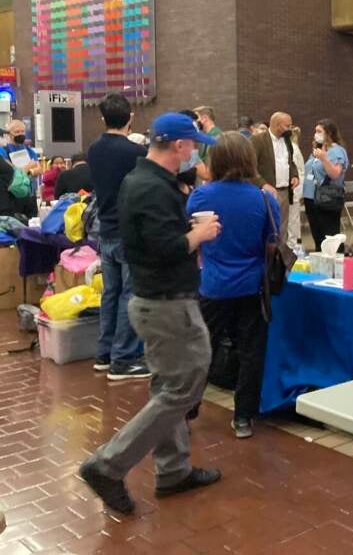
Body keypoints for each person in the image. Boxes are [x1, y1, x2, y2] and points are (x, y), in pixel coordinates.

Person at [79, 112, 222, 515]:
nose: (194, 150)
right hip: (167, 304)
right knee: (184, 388)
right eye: (191, 144)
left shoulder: (142, 181)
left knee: (168, 387)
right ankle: (108, 465)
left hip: (153, 301)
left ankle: (173, 470)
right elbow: (167, 249)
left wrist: (186, 224)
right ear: (178, 146)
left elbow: (150, 236)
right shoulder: (152, 188)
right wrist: (200, 233)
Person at [187, 132, 280, 439]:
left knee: (203, 348)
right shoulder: (264, 198)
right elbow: (272, 239)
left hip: (213, 286)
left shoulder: (200, 197)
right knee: (251, 351)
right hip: (252, 287)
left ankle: (188, 406)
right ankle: (243, 418)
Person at [87, 94, 149, 380]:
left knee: (110, 293)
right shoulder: (135, 153)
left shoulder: (94, 149)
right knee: (129, 293)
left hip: (105, 230)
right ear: (131, 117)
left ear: (102, 118)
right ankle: (123, 358)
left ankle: (104, 352)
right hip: (128, 231)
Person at [301, 119, 349, 251]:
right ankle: (321, 264)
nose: (315, 134)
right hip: (311, 197)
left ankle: (336, 265)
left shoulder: (337, 151)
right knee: (317, 236)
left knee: (330, 236)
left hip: (327, 198)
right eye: (315, 131)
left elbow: (335, 174)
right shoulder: (317, 150)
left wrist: (324, 158)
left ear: (329, 133)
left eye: (319, 131)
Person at [253, 112, 299, 230]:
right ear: (277, 125)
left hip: (284, 192)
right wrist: (263, 184)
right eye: (287, 126)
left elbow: (290, 162)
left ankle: (281, 249)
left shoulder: (287, 140)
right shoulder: (258, 140)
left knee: (282, 228)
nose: (290, 129)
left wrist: (294, 175)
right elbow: (250, 167)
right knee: (267, 227)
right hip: (266, 192)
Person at [2, 119, 42, 214]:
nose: (20, 134)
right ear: (9, 134)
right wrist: (29, 168)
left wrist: (27, 172)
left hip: (30, 195)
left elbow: (39, 169)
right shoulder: (3, 151)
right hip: (13, 196)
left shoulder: (29, 150)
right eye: (17, 132)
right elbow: (11, 172)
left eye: (22, 131)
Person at [193, 106, 224, 182]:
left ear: (204, 118)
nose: (194, 123)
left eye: (196, 119)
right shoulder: (208, 135)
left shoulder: (216, 136)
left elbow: (208, 172)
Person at [287, 127, 305, 249]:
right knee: (291, 220)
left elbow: (299, 171)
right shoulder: (292, 147)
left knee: (293, 221)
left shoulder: (292, 148)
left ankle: (294, 247)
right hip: (289, 190)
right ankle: (293, 245)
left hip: (293, 189)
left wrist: (299, 191)